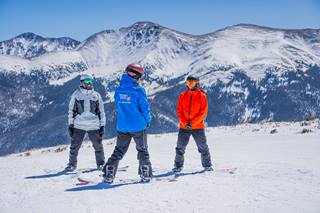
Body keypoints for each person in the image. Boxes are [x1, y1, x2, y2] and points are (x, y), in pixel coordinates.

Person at [102, 64, 152, 183]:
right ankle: (145, 173)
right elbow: (145, 108)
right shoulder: (139, 90)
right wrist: (148, 121)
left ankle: (109, 172)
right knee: (142, 150)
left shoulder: (119, 90)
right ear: (137, 75)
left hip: (123, 126)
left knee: (119, 150)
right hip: (138, 126)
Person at [65, 74, 106, 172]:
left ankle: (101, 164)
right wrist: (71, 125)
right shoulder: (76, 95)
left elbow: (101, 111)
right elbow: (71, 111)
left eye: (90, 82)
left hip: (94, 125)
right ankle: (72, 165)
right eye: (87, 82)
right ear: (82, 82)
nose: (89, 84)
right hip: (79, 125)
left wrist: (102, 125)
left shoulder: (96, 95)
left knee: (98, 146)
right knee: (74, 147)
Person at [172, 76, 213, 172]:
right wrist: (185, 123)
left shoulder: (202, 96)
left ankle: (207, 165)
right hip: (184, 127)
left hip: (197, 127)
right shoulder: (182, 95)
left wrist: (192, 124)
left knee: (202, 147)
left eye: (192, 83)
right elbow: (179, 111)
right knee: (180, 147)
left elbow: (203, 113)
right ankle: (178, 166)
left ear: (197, 84)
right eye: (188, 83)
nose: (189, 85)